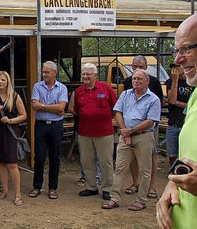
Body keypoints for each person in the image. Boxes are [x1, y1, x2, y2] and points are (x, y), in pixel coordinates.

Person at [157, 14, 197, 228]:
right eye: (177, 51)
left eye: (186, 49)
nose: (178, 59)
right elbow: (187, 161)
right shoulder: (196, 96)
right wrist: (171, 186)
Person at [102, 69, 161, 211]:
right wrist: (126, 133)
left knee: (145, 170)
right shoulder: (125, 94)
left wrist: (132, 131)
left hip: (144, 136)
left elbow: (151, 121)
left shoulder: (153, 99)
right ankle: (114, 198)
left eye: (140, 79)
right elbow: (118, 113)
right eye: (134, 79)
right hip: (125, 136)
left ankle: (141, 201)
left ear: (147, 81)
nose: (136, 81)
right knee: (120, 168)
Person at [70, 63, 117, 201]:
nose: (85, 77)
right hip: (84, 132)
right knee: (86, 161)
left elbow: (115, 108)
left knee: (106, 161)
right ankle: (91, 187)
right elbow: (77, 110)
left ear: (95, 75)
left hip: (104, 132)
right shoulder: (79, 91)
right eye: (83, 74)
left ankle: (107, 188)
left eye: (88, 74)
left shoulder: (106, 88)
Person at [122, 55, 164, 199]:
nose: (137, 69)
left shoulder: (155, 82)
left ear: (146, 68)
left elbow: (160, 102)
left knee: (151, 156)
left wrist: (147, 122)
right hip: (130, 127)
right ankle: (135, 183)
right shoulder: (127, 82)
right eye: (135, 66)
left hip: (149, 127)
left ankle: (151, 187)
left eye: (141, 66)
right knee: (132, 156)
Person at [0, 71, 27, 206]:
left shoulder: (15, 97)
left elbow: (24, 115)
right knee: (1, 162)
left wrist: (11, 120)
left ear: (8, 81)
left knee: (12, 163)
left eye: (3, 80)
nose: (0, 82)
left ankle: (18, 194)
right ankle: (5, 191)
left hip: (10, 132)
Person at [28, 61, 68, 200]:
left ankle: (52, 188)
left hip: (56, 126)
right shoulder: (37, 86)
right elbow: (35, 106)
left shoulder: (62, 88)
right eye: (43, 72)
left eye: (47, 72)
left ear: (55, 73)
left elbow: (61, 108)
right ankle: (37, 186)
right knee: (39, 156)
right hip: (41, 125)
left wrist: (43, 106)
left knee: (54, 157)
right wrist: (53, 107)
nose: (44, 74)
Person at [164, 63, 193, 166]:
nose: (175, 69)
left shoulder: (192, 82)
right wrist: (175, 81)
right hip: (173, 123)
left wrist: (178, 103)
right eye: (174, 67)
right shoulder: (170, 82)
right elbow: (171, 100)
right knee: (172, 154)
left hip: (187, 124)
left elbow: (191, 106)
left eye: (178, 66)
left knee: (187, 155)